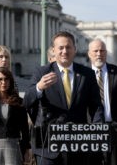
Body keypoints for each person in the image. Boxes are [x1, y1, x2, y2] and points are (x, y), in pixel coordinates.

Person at [24, 31, 104, 165]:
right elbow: (27, 101)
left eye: (68, 47)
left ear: (75, 49)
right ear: (53, 50)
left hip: (78, 145)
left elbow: (96, 106)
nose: (64, 51)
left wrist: (97, 129)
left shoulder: (87, 74)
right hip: (48, 145)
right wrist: (39, 87)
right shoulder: (42, 72)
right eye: (60, 48)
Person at [87, 39, 117, 165]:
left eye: (102, 51)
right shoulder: (83, 75)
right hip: (91, 131)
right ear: (89, 53)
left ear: (106, 53)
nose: (99, 54)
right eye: (95, 51)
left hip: (115, 130)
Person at [0, 67, 31, 165]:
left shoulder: (19, 102)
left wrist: (27, 150)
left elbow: (25, 129)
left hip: (14, 146)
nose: (3, 82)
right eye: (0, 79)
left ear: (10, 81)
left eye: (6, 79)